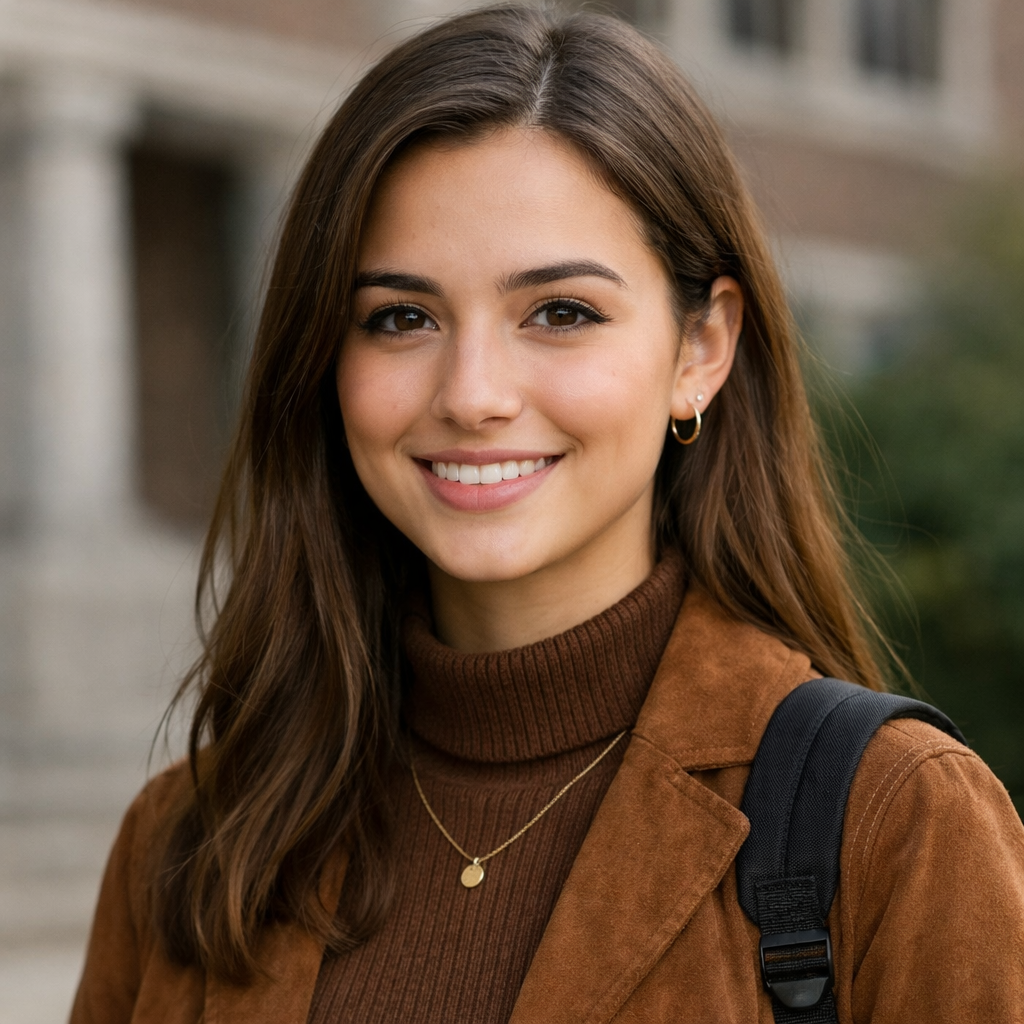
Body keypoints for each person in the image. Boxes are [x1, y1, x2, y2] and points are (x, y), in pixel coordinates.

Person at [70, 6, 1024, 1023]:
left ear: (700, 349)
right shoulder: (189, 841)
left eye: (560, 312)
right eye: (401, 317)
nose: (472, 392)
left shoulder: (893, 821)